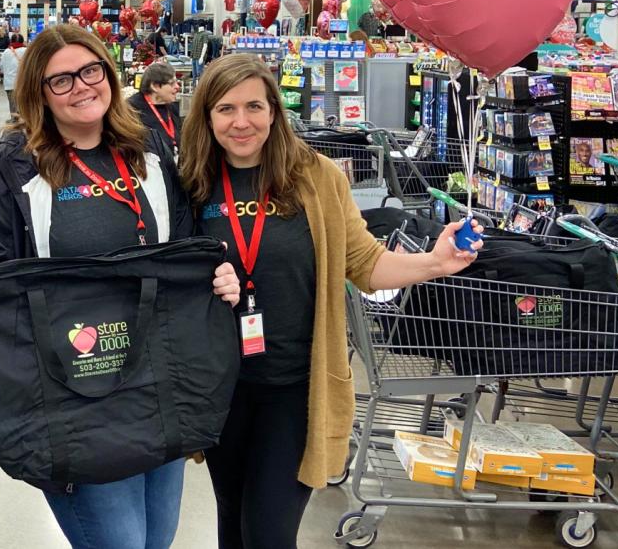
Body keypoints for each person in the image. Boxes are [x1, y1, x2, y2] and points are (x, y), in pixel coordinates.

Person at [0, 24, 242, 549]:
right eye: (61, 81)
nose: (81, 86)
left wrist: (218, 274)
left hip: (157, 382)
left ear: (108, 71)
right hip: (74, 394)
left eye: (90, 70)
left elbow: (184, 249)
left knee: (156, 539)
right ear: (38, 93)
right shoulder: (15, 167)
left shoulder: (146, 152)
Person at [177, 54, 482, 549]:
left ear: (274, 111)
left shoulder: (315, 177)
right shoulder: (190, 181)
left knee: (269, 534)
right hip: (219, 388)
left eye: (254, 105)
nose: (241, 121)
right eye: (225, 108)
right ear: (206, 116)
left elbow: (364, 263)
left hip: (296, 385)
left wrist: (434, 262)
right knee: (231, 519)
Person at [129, 62, 182, 159]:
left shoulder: (172, 108)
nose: (177, 87)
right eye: (172, 83)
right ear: (155, 86)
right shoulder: (132, 110)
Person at [0, 33, 26, 120]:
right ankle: (24, 121)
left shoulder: (6, 52)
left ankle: (14, 122)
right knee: (24, 104)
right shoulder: (26, 51)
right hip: (23, 83)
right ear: (22, 41)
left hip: (9, 84)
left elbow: (2, 68)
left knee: (13, 105)